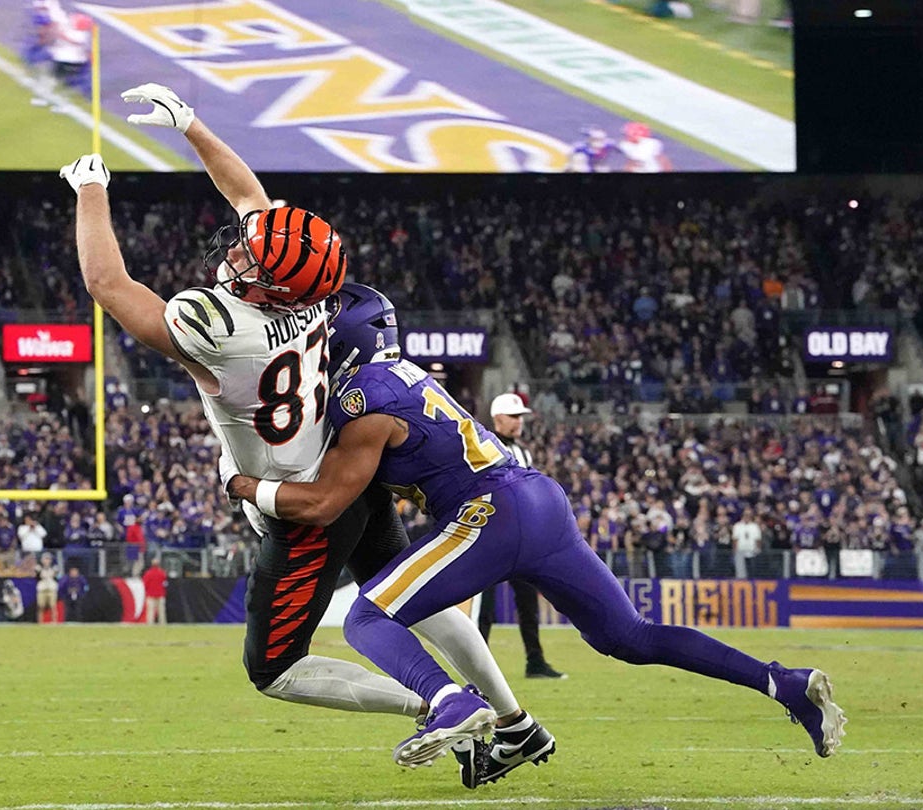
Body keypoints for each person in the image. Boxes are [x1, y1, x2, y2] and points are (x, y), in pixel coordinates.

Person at [62, 83, 523, 762]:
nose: (239, 251)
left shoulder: (221, 326)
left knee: (274, 668)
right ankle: (513, 718)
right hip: (347, 471)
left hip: (303, 505)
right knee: (412, 596)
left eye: (251, 257)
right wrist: (190, 125)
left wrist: (90, 189)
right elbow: (251, 199)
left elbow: (109, 285)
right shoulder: (315, 291)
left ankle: (442, 702)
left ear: (272, 284)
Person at [229, 284, 847, 783]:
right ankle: (782, 683)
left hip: (488, 512)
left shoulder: (362, 397)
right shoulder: (403, 376)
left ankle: (450, 701)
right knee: (629, 636)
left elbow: (324, 502)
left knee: (367, 618)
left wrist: (242, 483)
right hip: (537, 499)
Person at [476, 393, 565, 680]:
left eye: (520, 417)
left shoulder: (522, 451)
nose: (519, 422)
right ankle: (478, 670)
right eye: (514, 417)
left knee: (527, 603)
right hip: (492, 536)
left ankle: (535, 661)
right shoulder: (486, 444)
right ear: (498, 418)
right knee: (484, 608)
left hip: (519, 536)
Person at [35, 552, 60, 623]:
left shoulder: (54, 568)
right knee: (40, 606)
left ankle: (54, 621)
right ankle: (40, 622)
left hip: (51, 589)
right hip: (42, 589)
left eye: (48, 559)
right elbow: (37, 577)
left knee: (53, 606)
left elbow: (56, 577)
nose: (47, 561)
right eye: (45, 559)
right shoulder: (38, 568)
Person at [142, 555, 168, 624]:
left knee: (150, 611)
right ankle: (162, 623)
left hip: (150, 594)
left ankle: (150, 623)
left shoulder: (148, 573)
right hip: (160, 594)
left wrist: (147, 591)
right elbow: (165, 584)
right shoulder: (162, 573)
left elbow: (145, 584)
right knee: (161, 611)